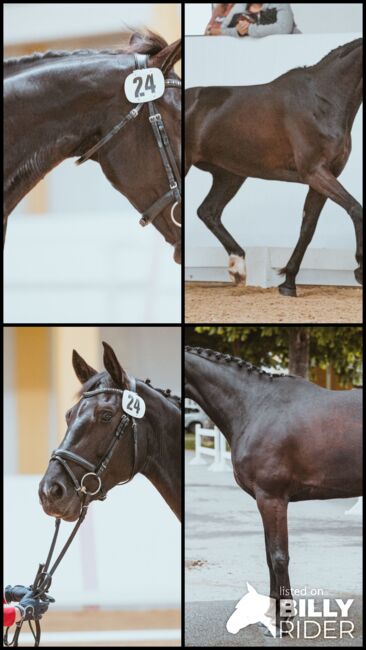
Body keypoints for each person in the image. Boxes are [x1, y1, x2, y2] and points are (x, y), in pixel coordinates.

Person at [207, 3, 301, 38]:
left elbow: (283, 29)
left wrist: (249, 30)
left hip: (289, 52)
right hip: (257, 54)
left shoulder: (280, 5)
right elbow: (223, 29)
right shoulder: (240, 6)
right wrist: (238, 31)